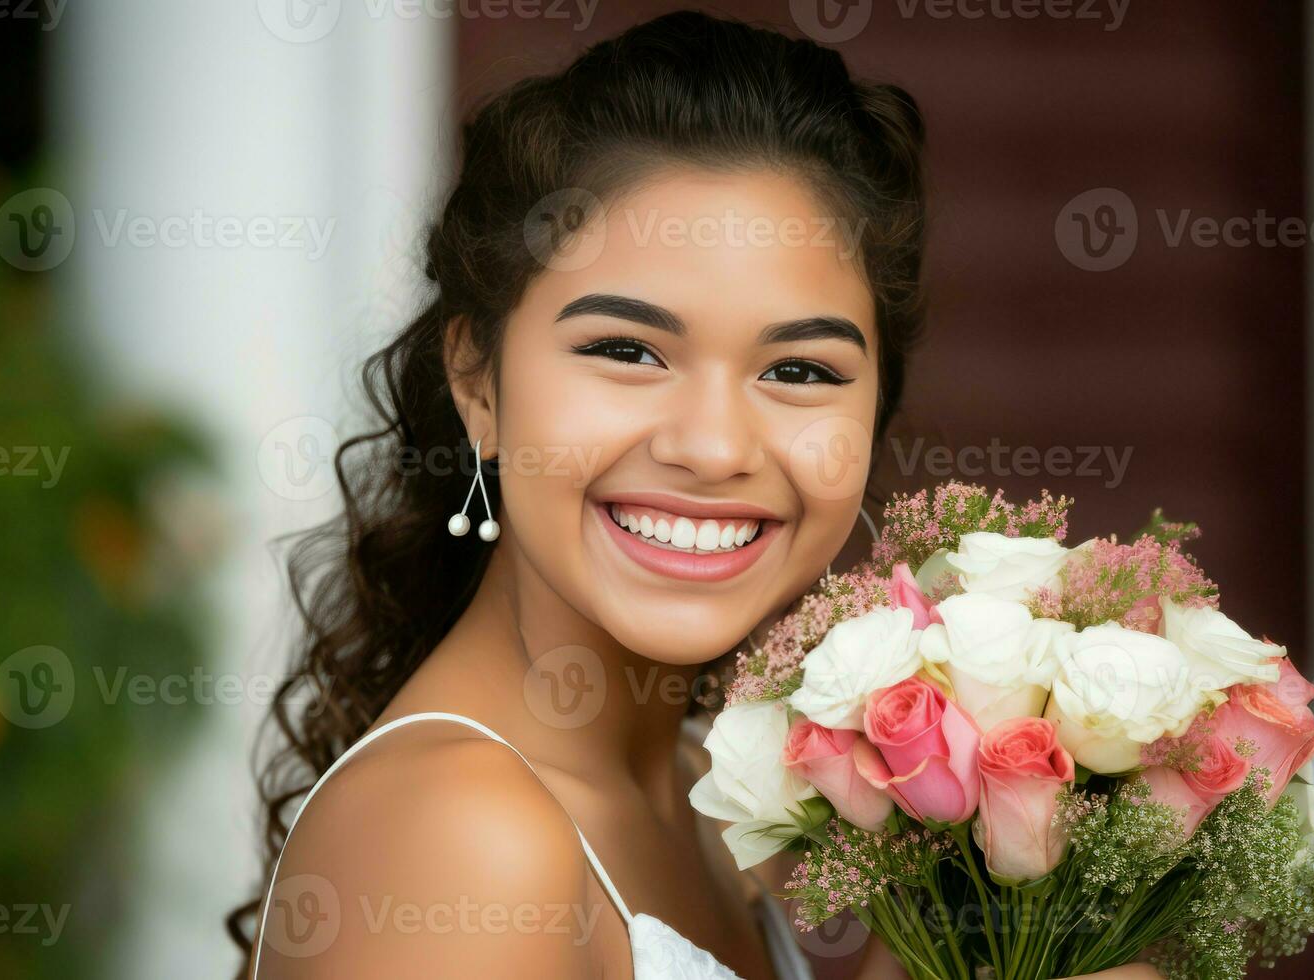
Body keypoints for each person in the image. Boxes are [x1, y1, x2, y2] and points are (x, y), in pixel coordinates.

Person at [232, 11, 1163, 979]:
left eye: (800, 369)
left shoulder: (699, 784)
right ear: (478, 382)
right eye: (626, 350)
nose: (714, 446)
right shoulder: (467, 842)